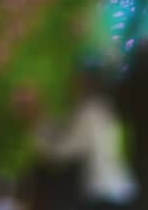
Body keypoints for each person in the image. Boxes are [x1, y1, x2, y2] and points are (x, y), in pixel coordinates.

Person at [31, 63, 137, 210]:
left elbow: (61, 151)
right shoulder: (104, 108)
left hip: (104, 192)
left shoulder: (88, 113)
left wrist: (38, 124)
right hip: (119, 188)